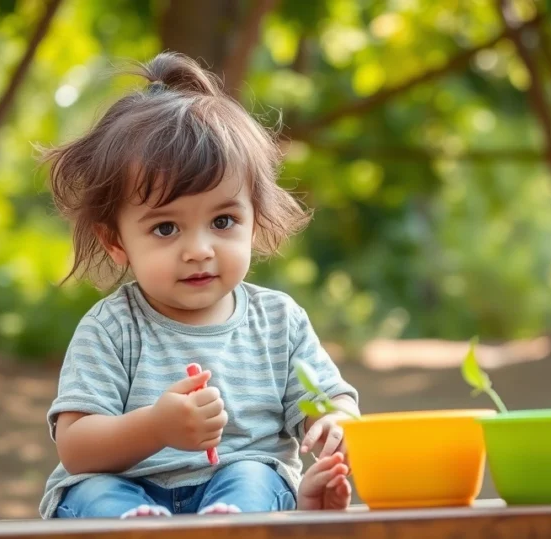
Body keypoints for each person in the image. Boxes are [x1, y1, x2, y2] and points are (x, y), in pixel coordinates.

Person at [36, 51, 360, 520]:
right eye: (166, 228)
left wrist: (334, 420)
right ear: (116, 242)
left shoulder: (278, 321)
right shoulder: (112, 327)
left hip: (238, 487)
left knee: (255, 475)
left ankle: (225, 526)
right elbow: (76, 449)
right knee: (92, 493)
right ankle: (141, 529)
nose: (199, 250)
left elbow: (330, 399)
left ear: (254, 221)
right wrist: (156, 426)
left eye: (223, 220)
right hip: (125, 491)